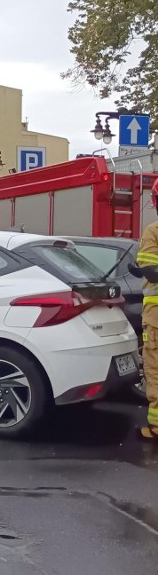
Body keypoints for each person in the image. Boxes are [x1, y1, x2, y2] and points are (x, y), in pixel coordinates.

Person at [132, 180, 158, 441]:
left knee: (156, 369)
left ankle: (156, 427)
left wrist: (141, 269)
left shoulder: (154, 230)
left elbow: (152, 270)